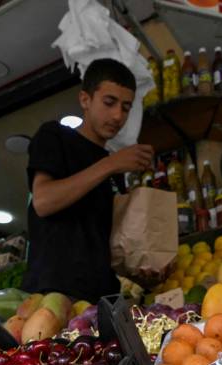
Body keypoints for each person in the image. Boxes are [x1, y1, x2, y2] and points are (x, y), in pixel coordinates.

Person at [21, 58, 154, 302]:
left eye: (126, 107)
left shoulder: (116, 168)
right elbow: (43, 201)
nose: (117, 116)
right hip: (54, 294)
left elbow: (110, 241)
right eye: (109, 102)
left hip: (103, 298)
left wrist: (143, 267)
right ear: (85, 100)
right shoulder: (54, 136)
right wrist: (111, 164)